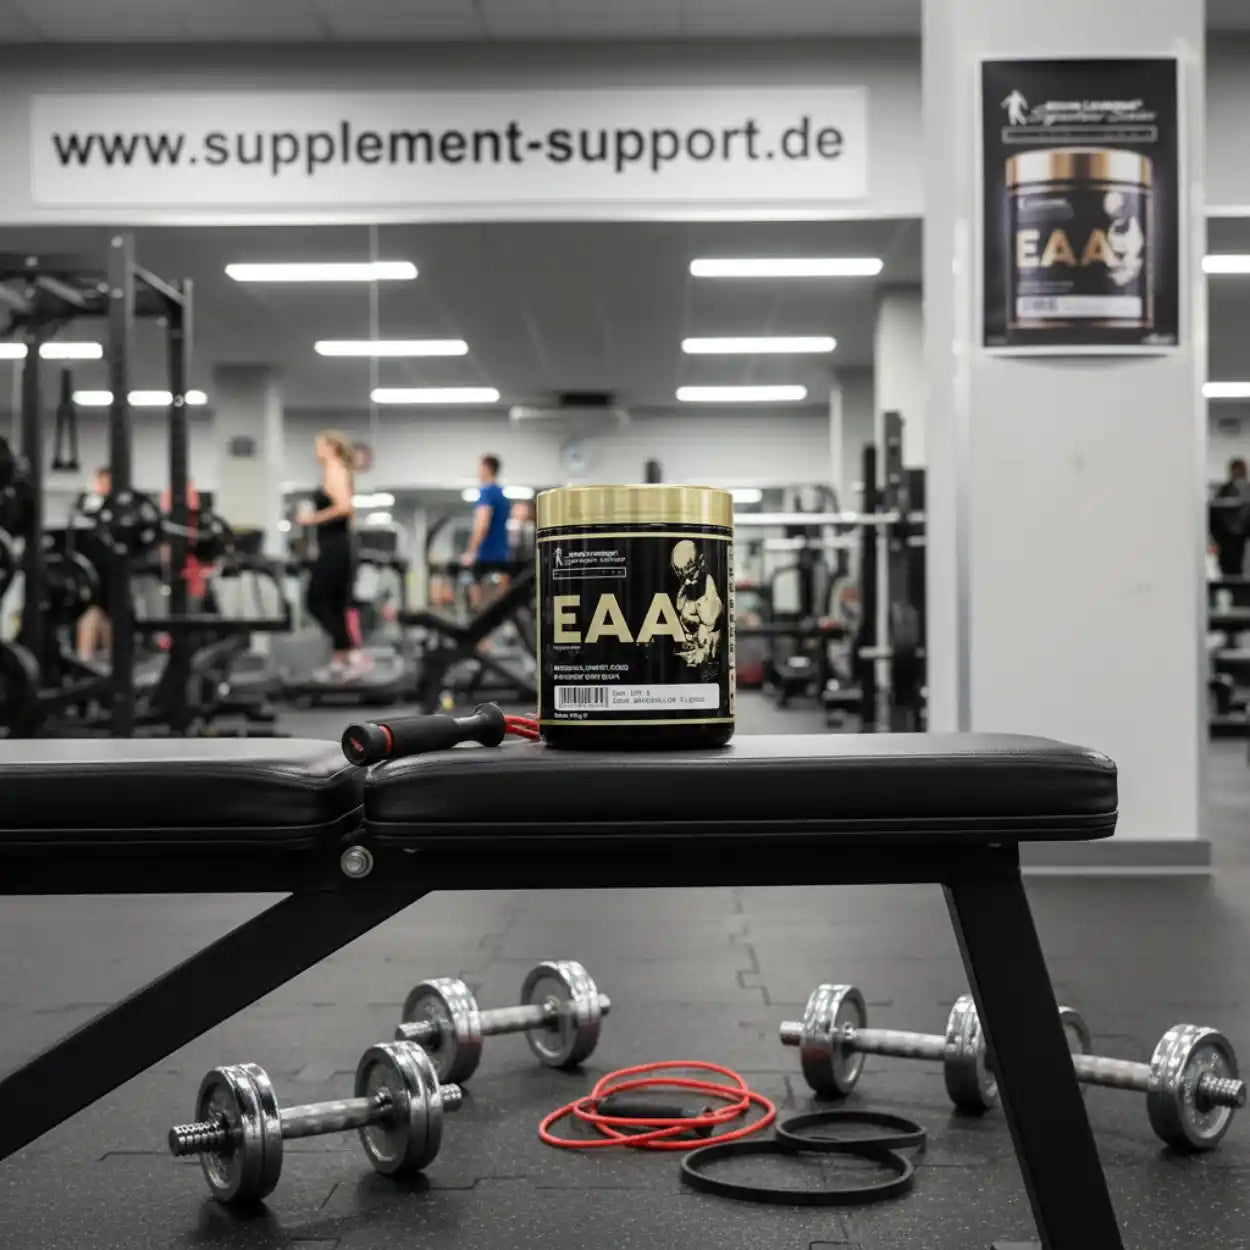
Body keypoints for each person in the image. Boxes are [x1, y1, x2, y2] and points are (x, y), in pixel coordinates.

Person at [299, 430, 369, 680]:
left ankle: (353, 653)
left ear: (331, 448)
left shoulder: (335, 468)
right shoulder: (337, 470)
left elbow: (344, 507)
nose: (316, 451)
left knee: (314, 601)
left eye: (319, 446)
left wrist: (312, 518)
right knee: (334, 605)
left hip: (336, 546)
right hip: (337, 544)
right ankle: (340, 662)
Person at [460, 453, 512, 609]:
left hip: (486, 556)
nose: (478, 471)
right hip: (502, 556)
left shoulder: (486, 492)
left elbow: (482, 525)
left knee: (480, 603)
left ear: (487, 468)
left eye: (480, 467)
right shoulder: (502, 495)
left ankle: (480, 621)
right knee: (498, 602)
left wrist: (470, 552)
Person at [75, 465, 112, 662]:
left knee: (111, 622)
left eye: (107, 481)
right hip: (89, 572)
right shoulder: (88, 505)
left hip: (111, 574)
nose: (103, 485)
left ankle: (114, 667)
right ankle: (83, 662)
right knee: (88, 617)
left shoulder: (117, 509)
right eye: (100, 481)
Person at [1213, 458, 1250, 577]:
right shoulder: (1223, 491)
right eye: (1236, 470)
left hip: (1244, 540)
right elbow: (1215, 516)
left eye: (1241, 470)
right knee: (1228, 571)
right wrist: (1218, 539)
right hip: (1227, 541)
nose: (1239, 473)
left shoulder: (1248, 489)